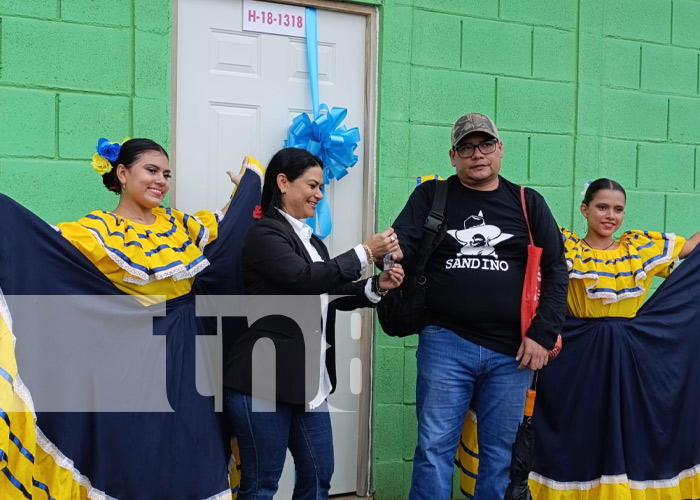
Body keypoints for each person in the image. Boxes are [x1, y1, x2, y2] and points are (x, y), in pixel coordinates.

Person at [0, 137, 263, 499]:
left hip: (187, 358)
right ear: (122, 173)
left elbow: (227, 230)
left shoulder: (179, 225)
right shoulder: (97, 231)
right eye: (151, 171)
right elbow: (44, 256)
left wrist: (247, 188)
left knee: (193, 452)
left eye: (166, 174)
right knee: (135, 460)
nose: (161, 181)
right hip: (127, 367)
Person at [391, 113, 568, 499]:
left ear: (500, 149)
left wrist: (542, 333)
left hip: (512, 353)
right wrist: (384, 253)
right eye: (466, 147)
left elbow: (557, 270)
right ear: (453, 156)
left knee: (499, 457)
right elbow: (400, 244)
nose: (477, 154)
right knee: (434, 449)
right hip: (445, 343)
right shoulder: (431, 196)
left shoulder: (527, 203)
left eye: (485, 144)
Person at [222, 147, 405, 500]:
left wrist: (376, 286)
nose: (320, 195)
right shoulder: (263, 235)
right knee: (261, 486)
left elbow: (328, 289)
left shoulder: (312, 241)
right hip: (262, 383)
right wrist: (365, 252)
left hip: (311, 385)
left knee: (320, 478)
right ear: (283, 182)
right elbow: (303, 279)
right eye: (313, 185)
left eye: (321, 187)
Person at [525, 178, 700, 499]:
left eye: (618, 209)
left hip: (628, 359)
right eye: (602, 207)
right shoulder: (565, 245)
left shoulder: (638, 247)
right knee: (580, 433)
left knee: (626, 433)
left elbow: (691, 248)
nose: (611, 216)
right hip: (574, 357)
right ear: (585, 209)